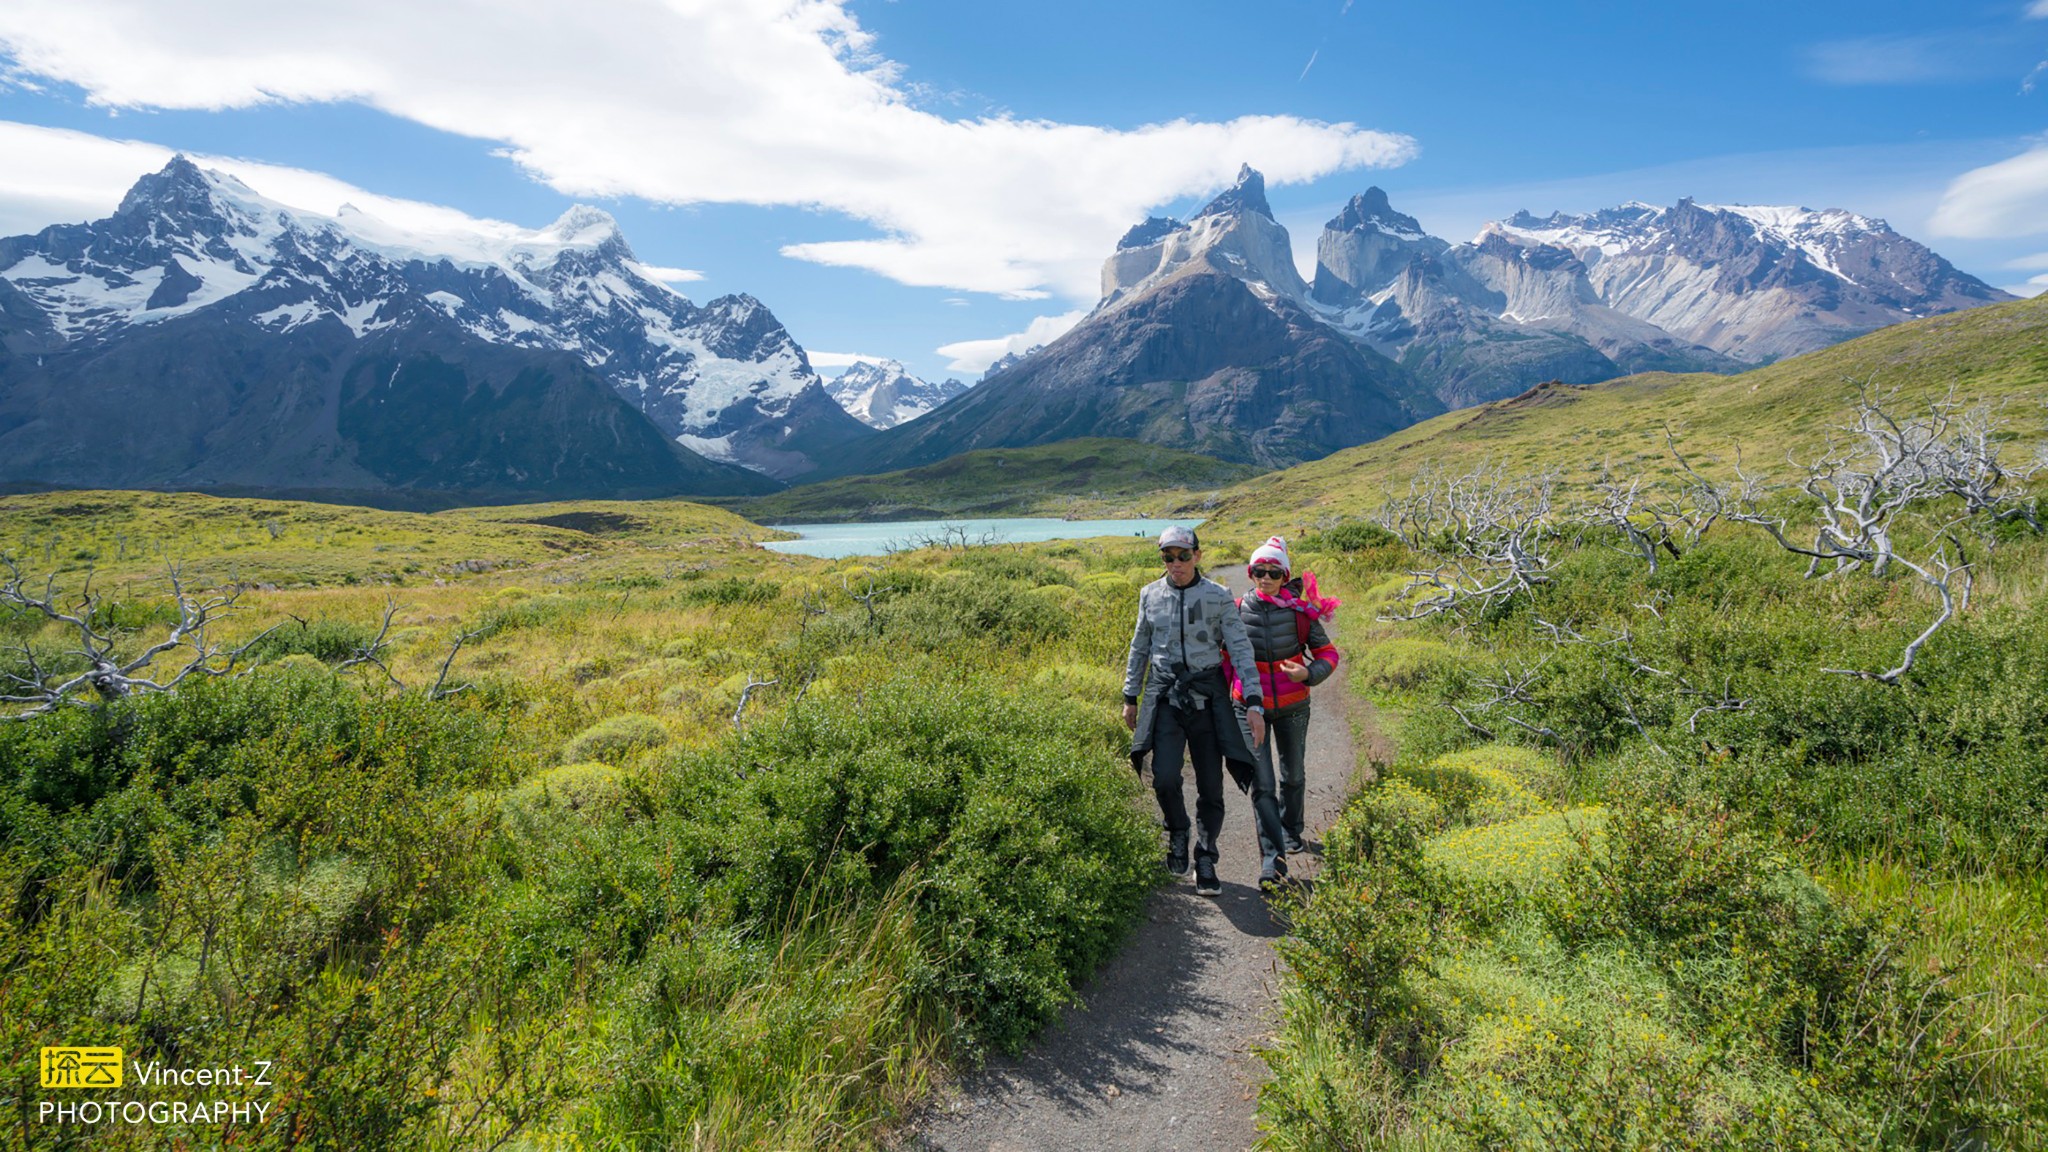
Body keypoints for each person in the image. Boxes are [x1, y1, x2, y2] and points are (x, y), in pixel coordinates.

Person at [1123, 526, 1270, 896]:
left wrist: (1253, 702)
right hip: (1166, 694)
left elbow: (1240, 648)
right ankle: (1178, 830)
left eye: (1183, 556)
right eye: (1168, 557)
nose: (1176, 564)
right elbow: (1140, 646)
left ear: (1198, 556)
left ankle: (1206, 855)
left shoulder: (1219, 596)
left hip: (1208, 697)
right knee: (1165, 777)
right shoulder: (1149, 595)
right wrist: (1130, 696)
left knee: (1210, 784)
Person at [1231, 536, 1340, 864]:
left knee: (1293, 776)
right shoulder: (1235, 611)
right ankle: (1271, 853)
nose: (1265, 578)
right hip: (1249, 709)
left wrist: (1308, 674)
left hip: (1293, 706)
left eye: (1274, 572)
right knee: (1261, 782)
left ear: (1285, 575)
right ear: (1251, 573)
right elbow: (1220, 655)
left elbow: (1329, 654)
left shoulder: (1301, 615)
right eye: (1258, 571)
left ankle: (1292, 829)